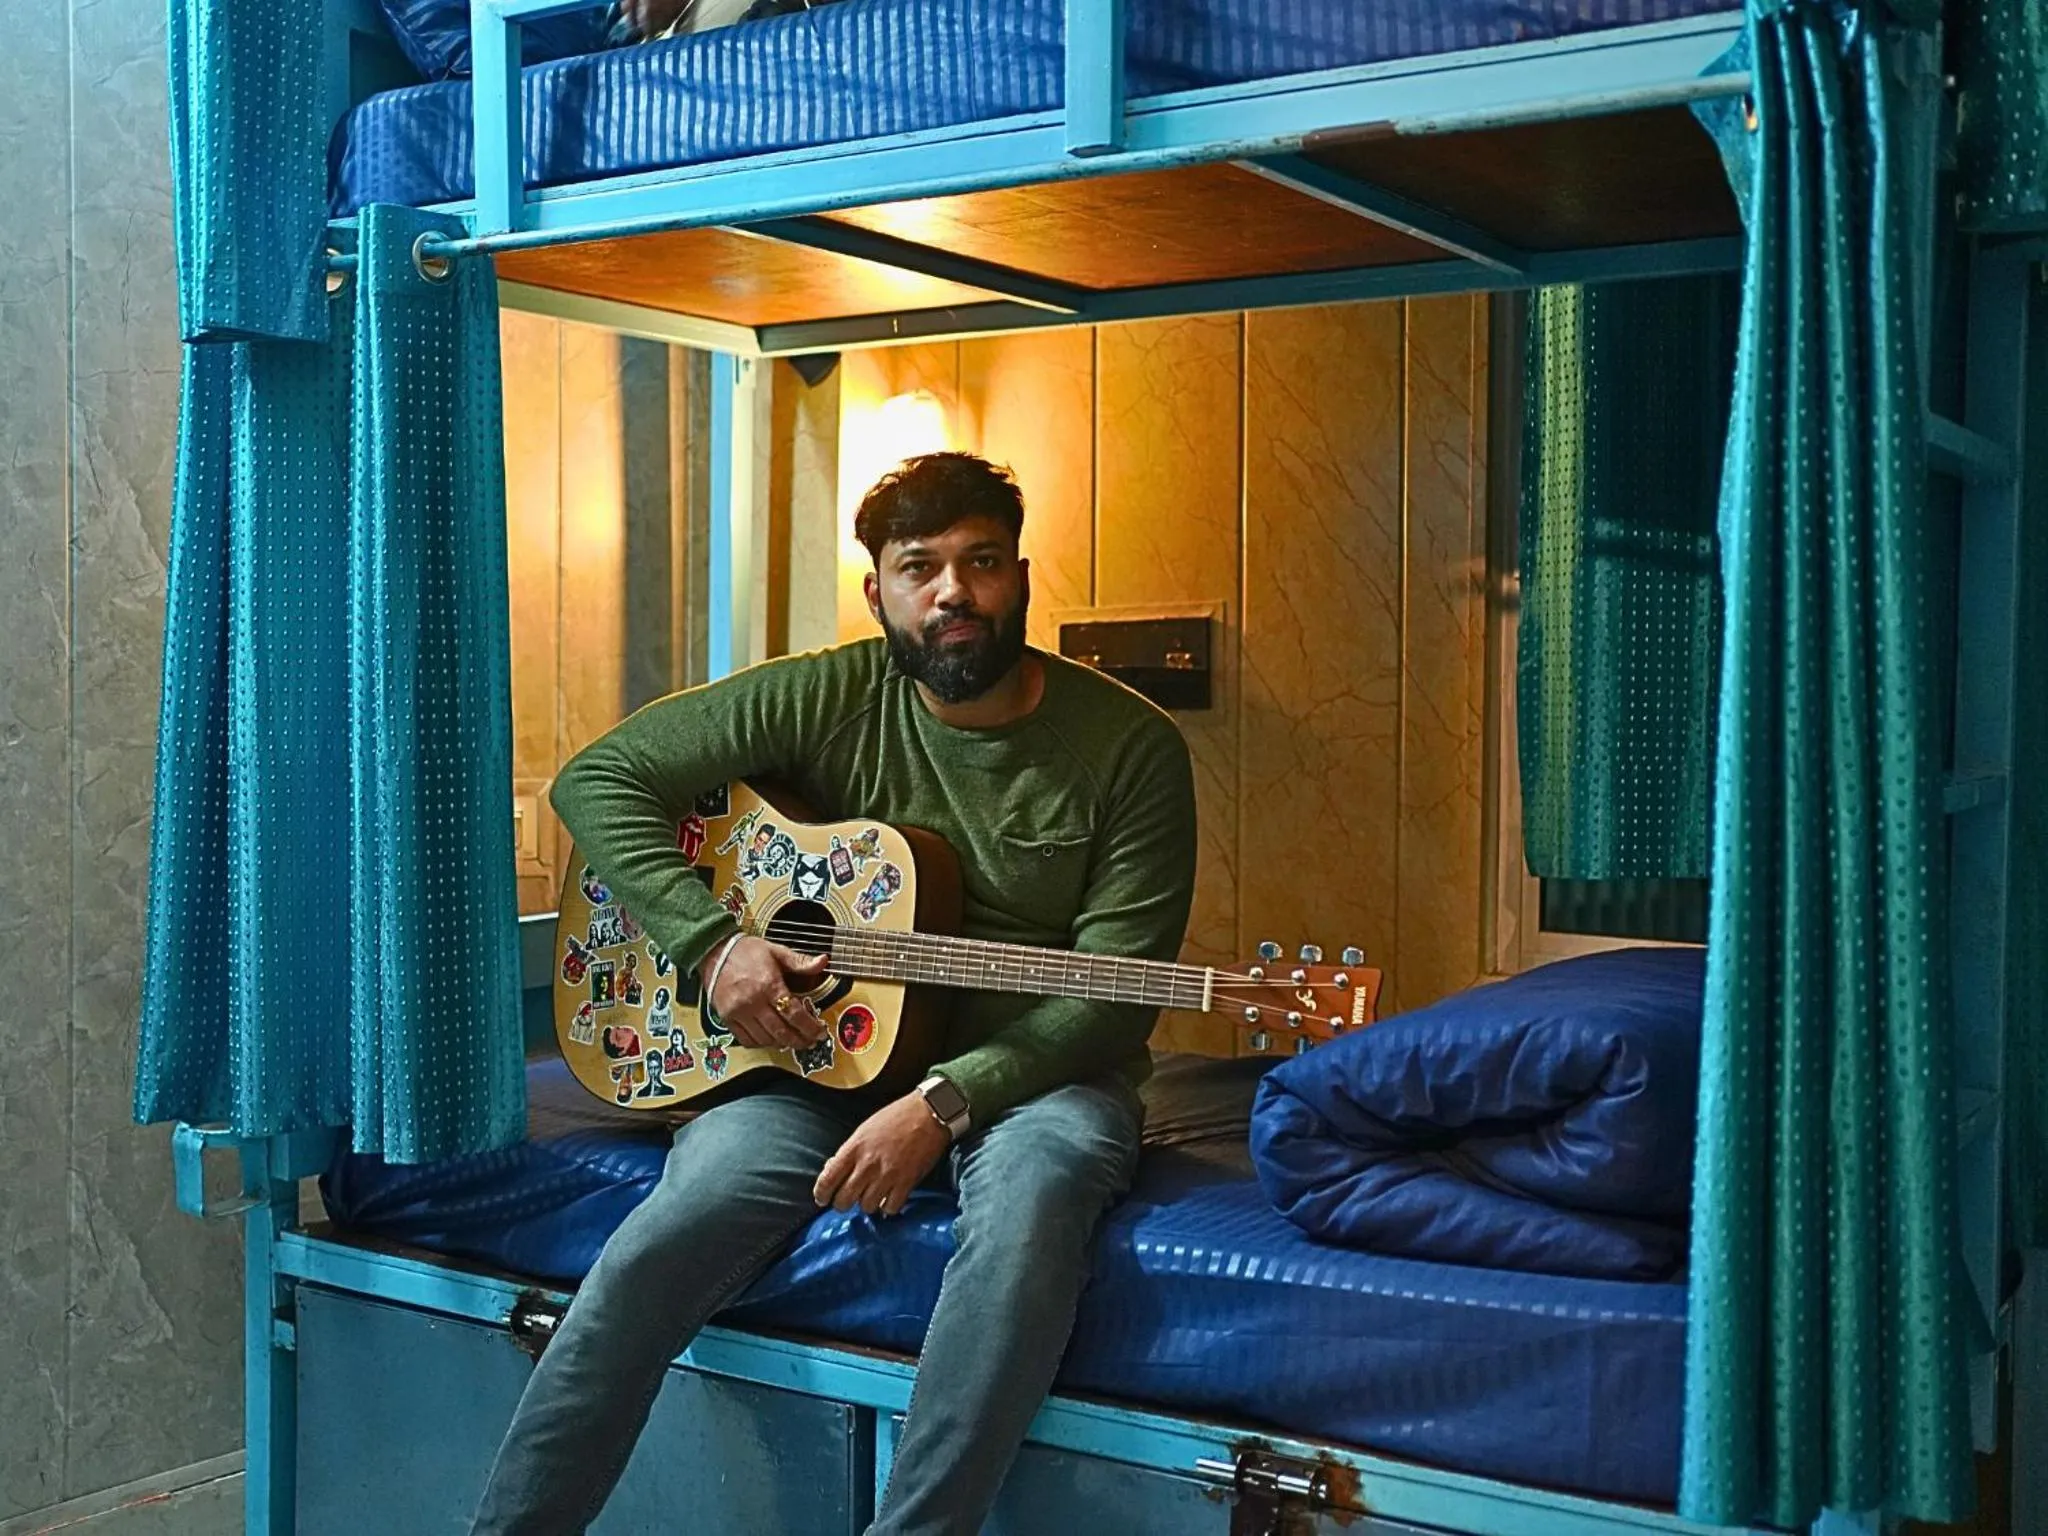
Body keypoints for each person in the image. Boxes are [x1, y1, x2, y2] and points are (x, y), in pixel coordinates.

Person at [471, 451, 1198, 1535]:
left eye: (980, 562)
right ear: (879, 593)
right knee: (673, 1226)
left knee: (1036, 1199)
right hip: (811, 1059)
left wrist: (945, 1103)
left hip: (1039, 1075)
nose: (952, 591)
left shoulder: (1129, 747)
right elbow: (597, 780)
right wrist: (715, 947)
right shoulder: (834, 692)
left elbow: (1111, 996)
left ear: (1021, 579)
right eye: (920, 568)